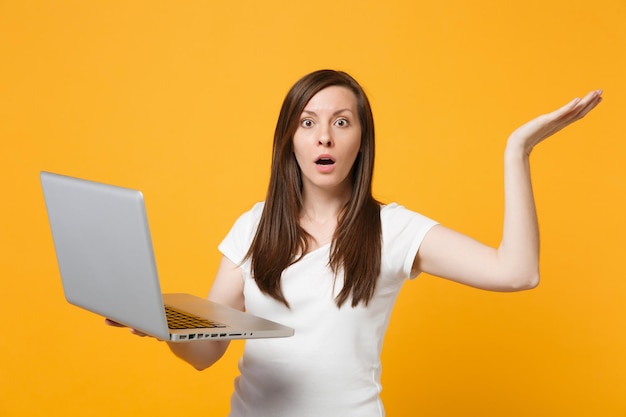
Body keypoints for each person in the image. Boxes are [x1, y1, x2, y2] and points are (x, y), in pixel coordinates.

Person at [107, 69, 603, 416]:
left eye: (341, 122)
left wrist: (517, 150)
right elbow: (206, 353)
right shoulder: (253, 227)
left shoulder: (393, 230)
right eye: (308, 122)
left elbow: (518, 272)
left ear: (361, 140)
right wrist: (160, 324)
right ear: (289, 141)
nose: (324, 136)